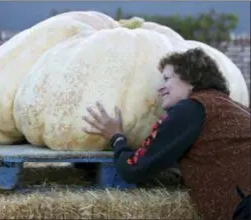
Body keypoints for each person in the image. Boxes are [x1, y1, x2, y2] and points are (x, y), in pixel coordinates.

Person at [82, 48, 250, 220]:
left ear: (192, 79)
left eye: (167, 79)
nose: (159, 88)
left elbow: (134, 168)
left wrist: (116, 137)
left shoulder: (190, 109)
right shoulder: (234, 108)